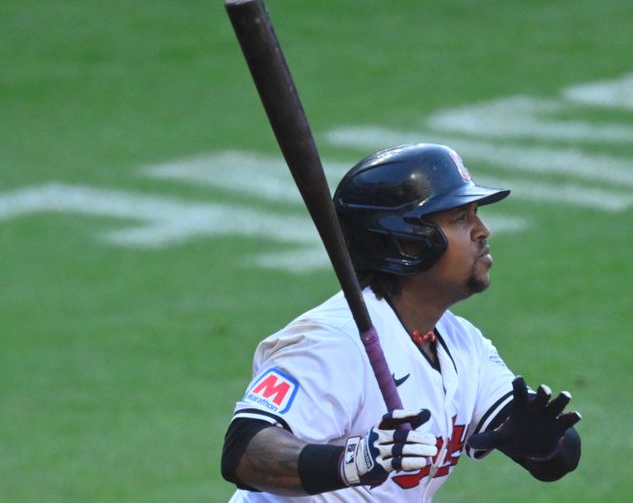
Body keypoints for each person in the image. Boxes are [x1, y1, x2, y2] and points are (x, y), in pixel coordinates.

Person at [220, 143, 582, 502]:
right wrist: (353, 461)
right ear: (405, 243)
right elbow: (245, 452)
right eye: (460, 218)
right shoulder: (331, 340)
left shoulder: (461, 343)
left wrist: (542, 443)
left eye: (476, 213)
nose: (482, 230)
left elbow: (557, 458)